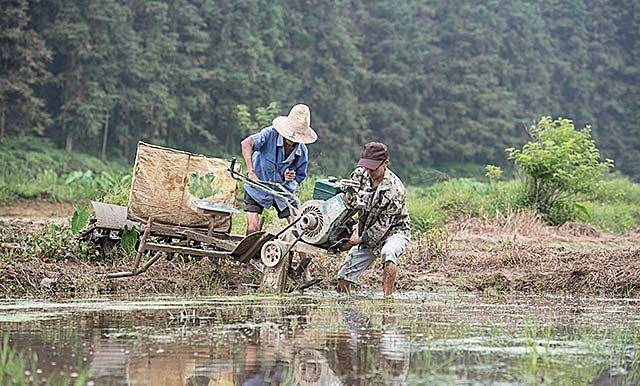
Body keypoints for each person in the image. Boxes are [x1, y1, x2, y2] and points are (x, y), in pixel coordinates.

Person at [337, 142, 411, 297]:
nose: (369, 172)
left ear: (385, 164)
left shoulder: (395, 190)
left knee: (388, 253)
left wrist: (352, 243)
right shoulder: (359, 175)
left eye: (373, 168)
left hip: (393, 231)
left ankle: (387, 300)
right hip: (366, 231)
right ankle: (350, 315)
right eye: (367, 167)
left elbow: (380, 228)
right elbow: (348, 203)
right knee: (343, 278)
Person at [240, 104, 317, 235]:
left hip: (283, 192)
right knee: (253, 228)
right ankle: (249, 254)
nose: (292, 141)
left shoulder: (302, 151)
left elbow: (300, 175)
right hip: (258, 187)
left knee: (299, 227)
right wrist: (251, 172)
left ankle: (305, 256)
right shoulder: (269, 134)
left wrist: (290, 176)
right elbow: (246, 143)